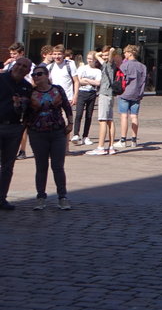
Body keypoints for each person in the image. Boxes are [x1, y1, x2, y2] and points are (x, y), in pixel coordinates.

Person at [24, 63, 73, 209]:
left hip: (57, 131)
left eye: (39, 74)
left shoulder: (57, 90)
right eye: (34, 75)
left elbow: (67, 107)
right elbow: (25, 112)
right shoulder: (30, 92)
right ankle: (40, 197)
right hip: (37, 133)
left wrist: (70, 124)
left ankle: (62, 197)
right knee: (41, 166)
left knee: (58, 166)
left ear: (47, 76)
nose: (36, 77)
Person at [0, 56, 33, 210]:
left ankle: (1, 198)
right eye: (18, 64)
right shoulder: (1, 79)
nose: (20, 68)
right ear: (13, 65)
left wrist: (23, 125)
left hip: (13, 129)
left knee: (7, 166)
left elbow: (29, 110)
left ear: (28, 70)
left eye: (24, 66)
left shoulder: (27, 87)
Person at [116, 44, 147, 149]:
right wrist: (141, 93)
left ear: (130, 53)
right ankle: (134, 140)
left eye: (125, 52)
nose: (124, 54)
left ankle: (123, 140)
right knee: (134, 116)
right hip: (137, 94)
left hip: (125, 93)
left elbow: (121, 80)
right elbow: (143, 82)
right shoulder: (143, 67)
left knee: (124, 116)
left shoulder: (125, 66)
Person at [90, 48, 118, 155]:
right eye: (104, 55)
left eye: (107, 55)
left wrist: (110, 52)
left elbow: (107, 58)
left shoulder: (110, 64)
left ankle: (101, 147)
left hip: (105, 93)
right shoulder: (106, 64)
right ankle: (111, 147)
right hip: (110, 94)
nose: (105, 57)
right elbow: (97, 55)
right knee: (110, 120)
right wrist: (102, 54)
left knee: (103, 120)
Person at [73, 51, 102, 149]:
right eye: (88, 58)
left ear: (95, 60)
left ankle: (85, 136)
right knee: (79, 114)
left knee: (89, 116)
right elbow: (79, 80)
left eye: (92, 58)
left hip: (92, 94)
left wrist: (88, 81)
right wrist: (89, 82)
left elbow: (98, 83)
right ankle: (76, 134)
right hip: (82, 93)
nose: (90, 60)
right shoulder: (82, 68)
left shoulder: (97, 71)